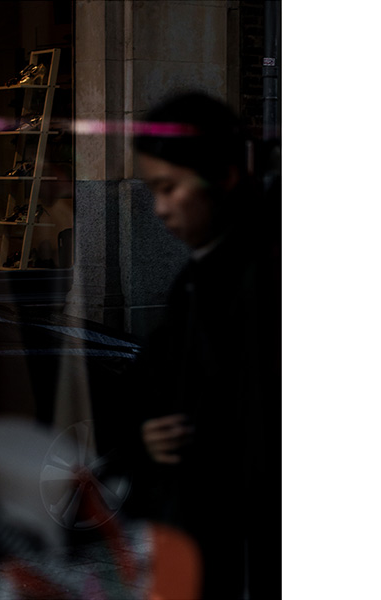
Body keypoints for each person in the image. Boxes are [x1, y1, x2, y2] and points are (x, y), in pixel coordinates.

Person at [116, 92, 281, 599]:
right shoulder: (200, 273)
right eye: (153, 190)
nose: (161, 209)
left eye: (170, 188)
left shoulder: (258, 276)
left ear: (224, 177)